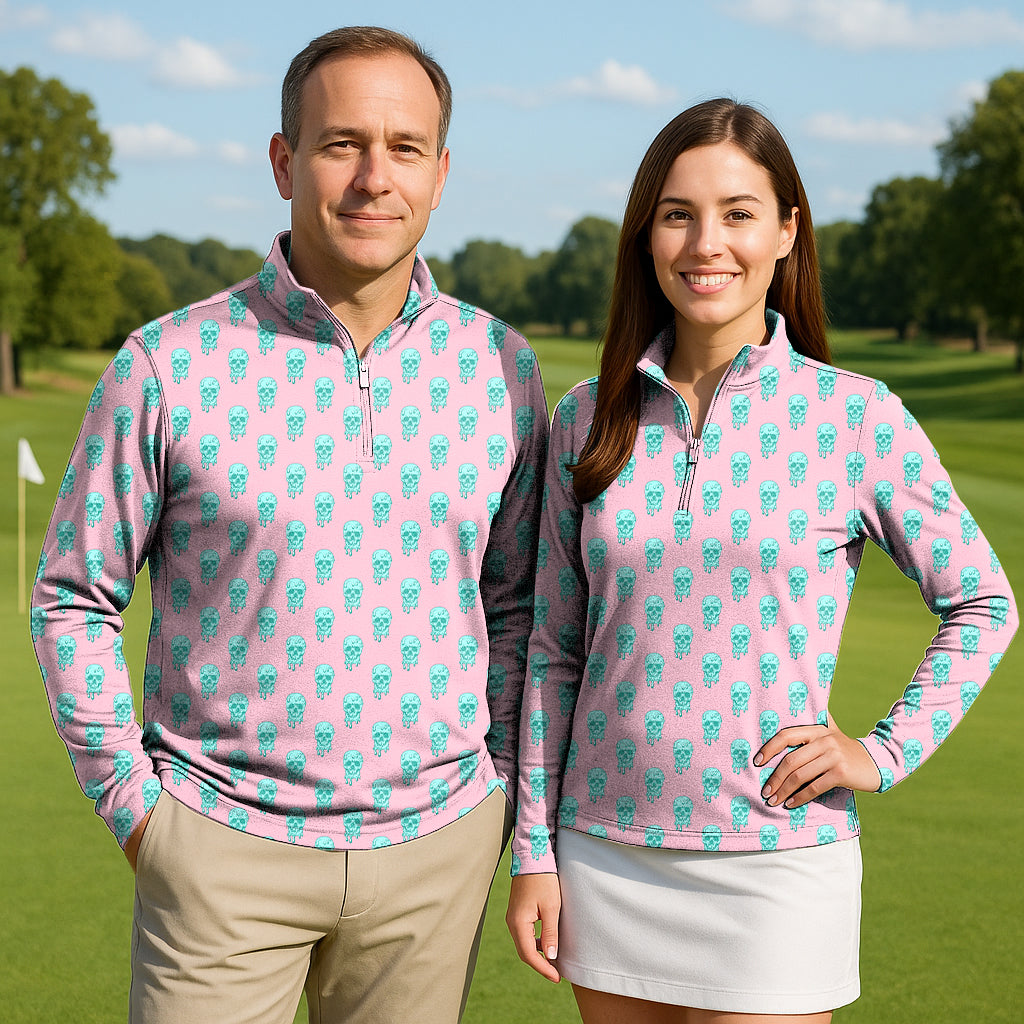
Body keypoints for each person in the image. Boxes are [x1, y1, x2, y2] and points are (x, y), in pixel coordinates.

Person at [31, 25, 547, 1024]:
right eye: (340, 143)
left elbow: (520, 606)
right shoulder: (167, 363)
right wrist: (140, 814)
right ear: (284, 161)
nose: (371, 178)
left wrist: (494, 793)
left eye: (403, 149)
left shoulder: (502, 368)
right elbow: (72, 595)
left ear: (440, 175)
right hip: (217, 847)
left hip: (433, 852)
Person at [505, 98, 1017, 1023]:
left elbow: (983, 601)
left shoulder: (855, 417)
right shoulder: (584, 417)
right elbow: (553, 651)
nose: (708, 243)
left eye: (739, 213)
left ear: (786, 232)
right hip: (604, 851)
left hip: (776, 860)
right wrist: (535, 852)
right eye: (678, 213)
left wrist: (882, 752)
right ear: (646, 235)